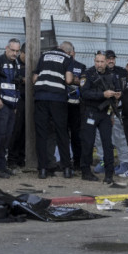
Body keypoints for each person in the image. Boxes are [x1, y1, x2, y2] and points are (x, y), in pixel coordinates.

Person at [80, 51, 124, 187]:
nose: (99, 64)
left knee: (107, 143)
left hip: (105, 113)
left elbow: (118, 90)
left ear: (106, 62)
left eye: (101, 61)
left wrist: (117, 95)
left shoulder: (112, 75)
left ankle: (109, 174)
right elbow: (84, 93)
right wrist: (102, 94)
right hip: (91, 112)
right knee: (88, 142)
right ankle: (86, 171)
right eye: (97, 61)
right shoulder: (88, 74)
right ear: (94, 61)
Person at [33, 47, 74, 179]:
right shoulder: (67, 59)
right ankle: (67, 168)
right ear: (67, 51)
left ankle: (43, 170)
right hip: (58, 98)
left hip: (41, 97)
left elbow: (34, 78)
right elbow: (68, 80)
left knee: (41, 134)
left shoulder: (44, 55)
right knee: (61, 133)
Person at [0, 38, 22, 179]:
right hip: (0, 105)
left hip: (11, 105)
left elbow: (16, 85)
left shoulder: (16, 63)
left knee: (7, 137)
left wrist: (15, 105)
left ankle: (2, 166)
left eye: (17, 51)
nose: (14, 53)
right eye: (12, 50)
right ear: (6, 48)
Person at [94, 49, 128, 174]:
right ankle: (103, 160)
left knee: (119, 137)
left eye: (112, 58)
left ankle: (124, 162)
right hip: (101, 109)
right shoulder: (97, 72)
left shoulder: (122, 72)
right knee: (99, 137)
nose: (111, 61)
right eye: (108, 58)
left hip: (117, 109)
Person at [62, 41, 87, 172]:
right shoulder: (60, 65)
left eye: (70, 53)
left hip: (77, 106)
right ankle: (64, 162)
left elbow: (83, 82)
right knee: (62, 135)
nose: (68, 55)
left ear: (74, 53)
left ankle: (78, 162)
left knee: (77, 135)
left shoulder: (81, 66)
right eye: (66, 53)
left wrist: (72, 79)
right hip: (62, 105)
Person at [7, 43, 27, 169]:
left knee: (26, 131)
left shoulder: (33, 63)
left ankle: (21, 158)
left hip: (29, 101)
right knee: (16, 130)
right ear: (22, 52)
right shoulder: (15, 64)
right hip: (17, 100)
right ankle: (12, 159)